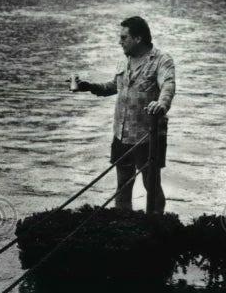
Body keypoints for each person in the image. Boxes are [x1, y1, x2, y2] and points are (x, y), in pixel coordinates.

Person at [70, 16, 175, 212]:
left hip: (148, 136)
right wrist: (89, 86)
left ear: (138, 38)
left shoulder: (162, 60)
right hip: (122, 133)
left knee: (151, 186)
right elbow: (113, 87)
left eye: (123, 37)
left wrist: (162, 104)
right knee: (122, 187)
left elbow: (168, 85)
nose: (120, 42)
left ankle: (156, 226)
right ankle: (123, 226)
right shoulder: (124, 60)